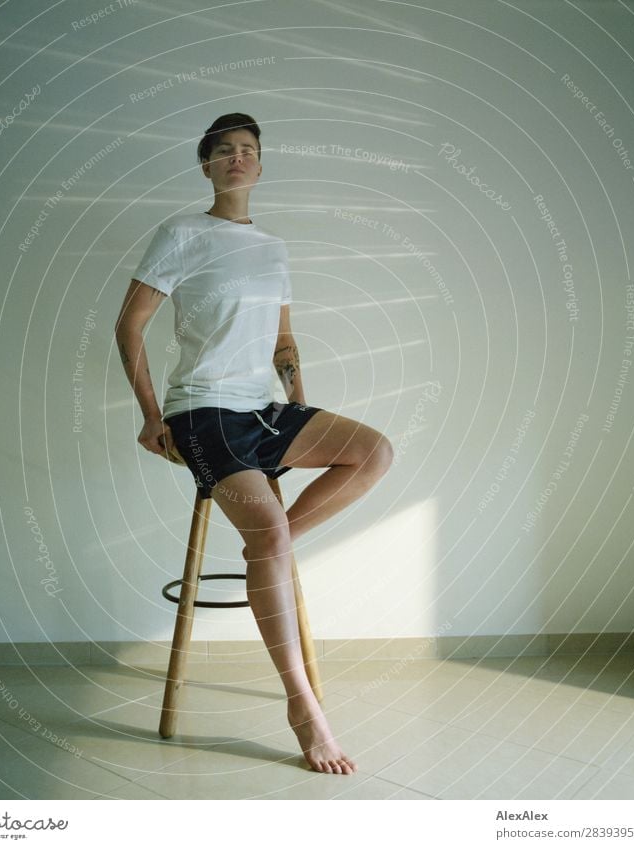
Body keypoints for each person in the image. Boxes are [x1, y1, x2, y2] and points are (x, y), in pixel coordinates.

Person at [114, 113, 393, 775]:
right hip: (200, 412)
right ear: (206, 165)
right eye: (224, 150)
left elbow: (282, 340)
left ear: (260, 168)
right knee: (265, 538)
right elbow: (130, 324)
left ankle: (274, 542)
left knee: (373, 451)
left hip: (262, 410)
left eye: (248, 150)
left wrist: (299, 405)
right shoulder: (181, 233)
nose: (237, 158)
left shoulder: (272, 247)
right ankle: (304, 707)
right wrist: (152, 414)